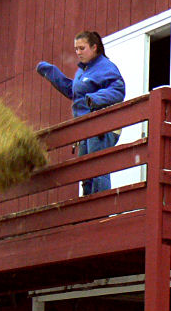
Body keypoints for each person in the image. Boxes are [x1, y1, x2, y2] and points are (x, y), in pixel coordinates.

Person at [36, 30, 125, 195]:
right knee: (85, 172)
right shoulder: (82, 72)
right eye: (76, 49)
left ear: (94, 47)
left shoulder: (106, 67)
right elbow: (74, 92)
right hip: (85, 127)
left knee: (97, 167)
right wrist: (52, 73)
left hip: (102, 125)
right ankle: (88, 208)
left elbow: (118, 90)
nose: (78, 53)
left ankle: (100, 208)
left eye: (82, 48)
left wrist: (95, 99)